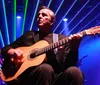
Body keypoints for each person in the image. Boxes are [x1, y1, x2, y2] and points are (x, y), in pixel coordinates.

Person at [1, 6, 85, 85]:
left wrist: (74, 48)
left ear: (52, 21)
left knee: (75, 71)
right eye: (38, 15)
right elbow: (5, 49)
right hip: (30, 77)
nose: (39, 17)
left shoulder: (62, 39)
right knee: (45, 68)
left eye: (44, 15)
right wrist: (12, 51)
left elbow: (69, 65)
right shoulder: (29, 35)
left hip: (55, 77)